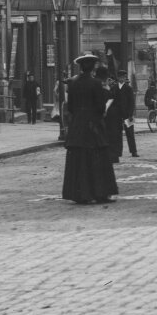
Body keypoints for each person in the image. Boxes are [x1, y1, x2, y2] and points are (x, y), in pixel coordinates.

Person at [62, 53, 118, 205]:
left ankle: (80, 193)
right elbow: (100, 107)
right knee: (97, 158)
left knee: (79, 160)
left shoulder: (73, 83)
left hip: (77, 126)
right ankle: (99, 192)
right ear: (93, 67)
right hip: (93, 125)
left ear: (80, 66)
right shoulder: (96, 83)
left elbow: (71, 106)